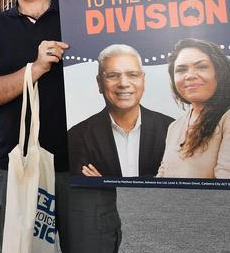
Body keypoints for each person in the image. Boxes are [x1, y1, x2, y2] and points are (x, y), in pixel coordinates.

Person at [0, 0, 121, 253]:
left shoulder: (84, 16)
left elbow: (150, 46)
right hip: (19, 164)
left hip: (85, 166)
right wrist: (35, 69)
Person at [157, 38, 230, 179]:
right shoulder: (174, 127)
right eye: (181, 70)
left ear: (220, 72)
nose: (190, 76)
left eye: (201, 67)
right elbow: (163, 177)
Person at [69, 44, 173, 178]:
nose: (123, 83)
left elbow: (176, 188)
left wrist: (106, 183)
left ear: (143, 80)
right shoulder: (78, 136)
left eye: (132, 75)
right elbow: (86, 191)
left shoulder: (172, 130)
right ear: (99, 83)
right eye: (113, 75)